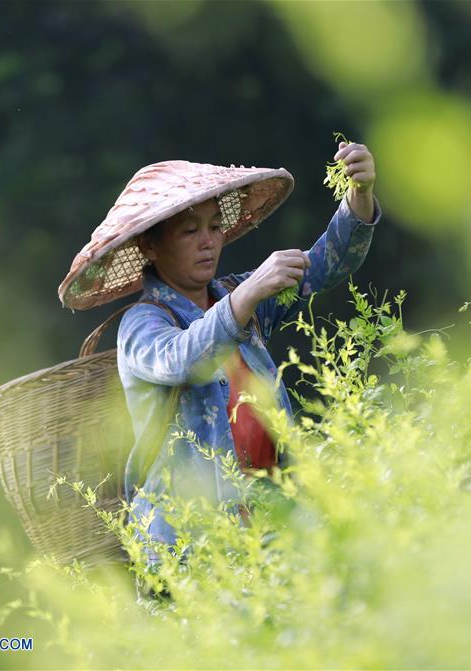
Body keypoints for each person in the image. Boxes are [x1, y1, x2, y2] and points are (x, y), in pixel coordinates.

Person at [59, 142, 380, 579]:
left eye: (214, 227)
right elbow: (184, 359)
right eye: (190, 232)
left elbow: (325, 266)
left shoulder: (233, 294)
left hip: (272, 526)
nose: (208, 242)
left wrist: (358, 195)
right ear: (151, 247)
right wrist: (249, 294)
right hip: (189, 545)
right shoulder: (142, 324)